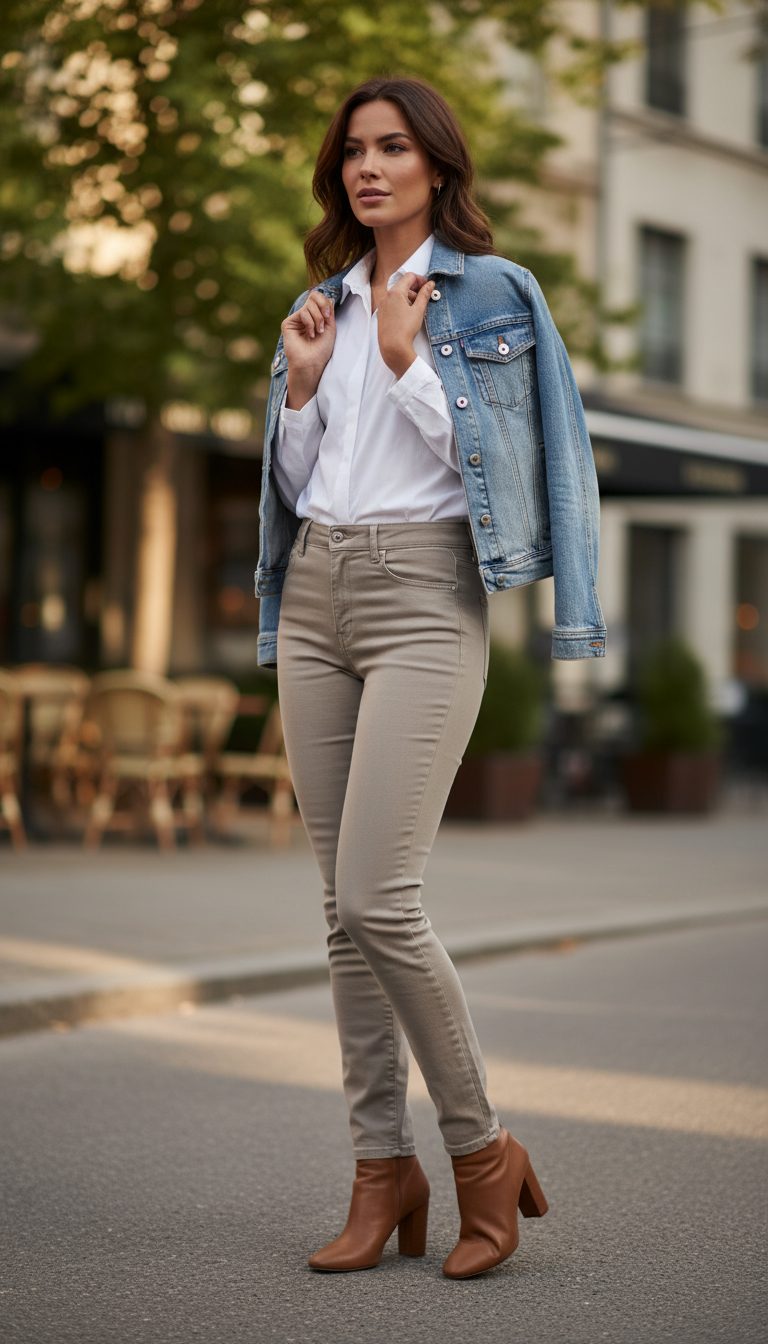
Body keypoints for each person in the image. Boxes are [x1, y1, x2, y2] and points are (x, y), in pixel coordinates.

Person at [256, 76, 606, 1279]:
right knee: (339, 919)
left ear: (437, 165)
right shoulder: (319, 305)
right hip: (315, 595)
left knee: (379, 898)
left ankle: (477, 1152)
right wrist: (303, 390)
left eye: (392, 147)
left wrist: (408, 362)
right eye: (353, 150)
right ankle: (377, 1172)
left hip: (424, 597)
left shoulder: (496, 295)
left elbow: (517, 466)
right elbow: (300, 489)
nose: (368, 168)